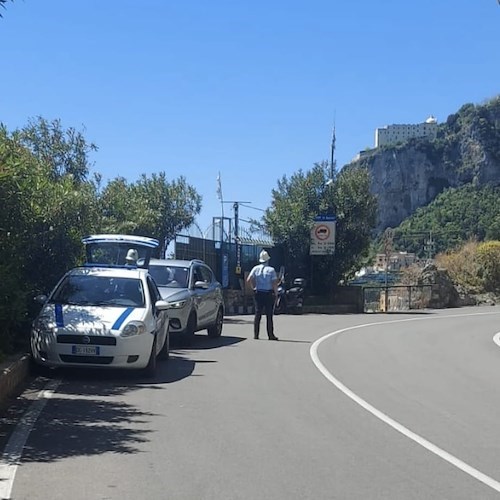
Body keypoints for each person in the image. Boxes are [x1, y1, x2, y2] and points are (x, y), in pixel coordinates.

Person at [246, 250, 279, 340]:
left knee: (258, 314)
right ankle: (270, 335)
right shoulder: (271, 270)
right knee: (269, 315)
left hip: (258, 293)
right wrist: (276, 293)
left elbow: (248, 279)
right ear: (268, 260)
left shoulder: (255, 268)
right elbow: (274, 283)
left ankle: (256, 334)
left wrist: (254, 287)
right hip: (268, 293)